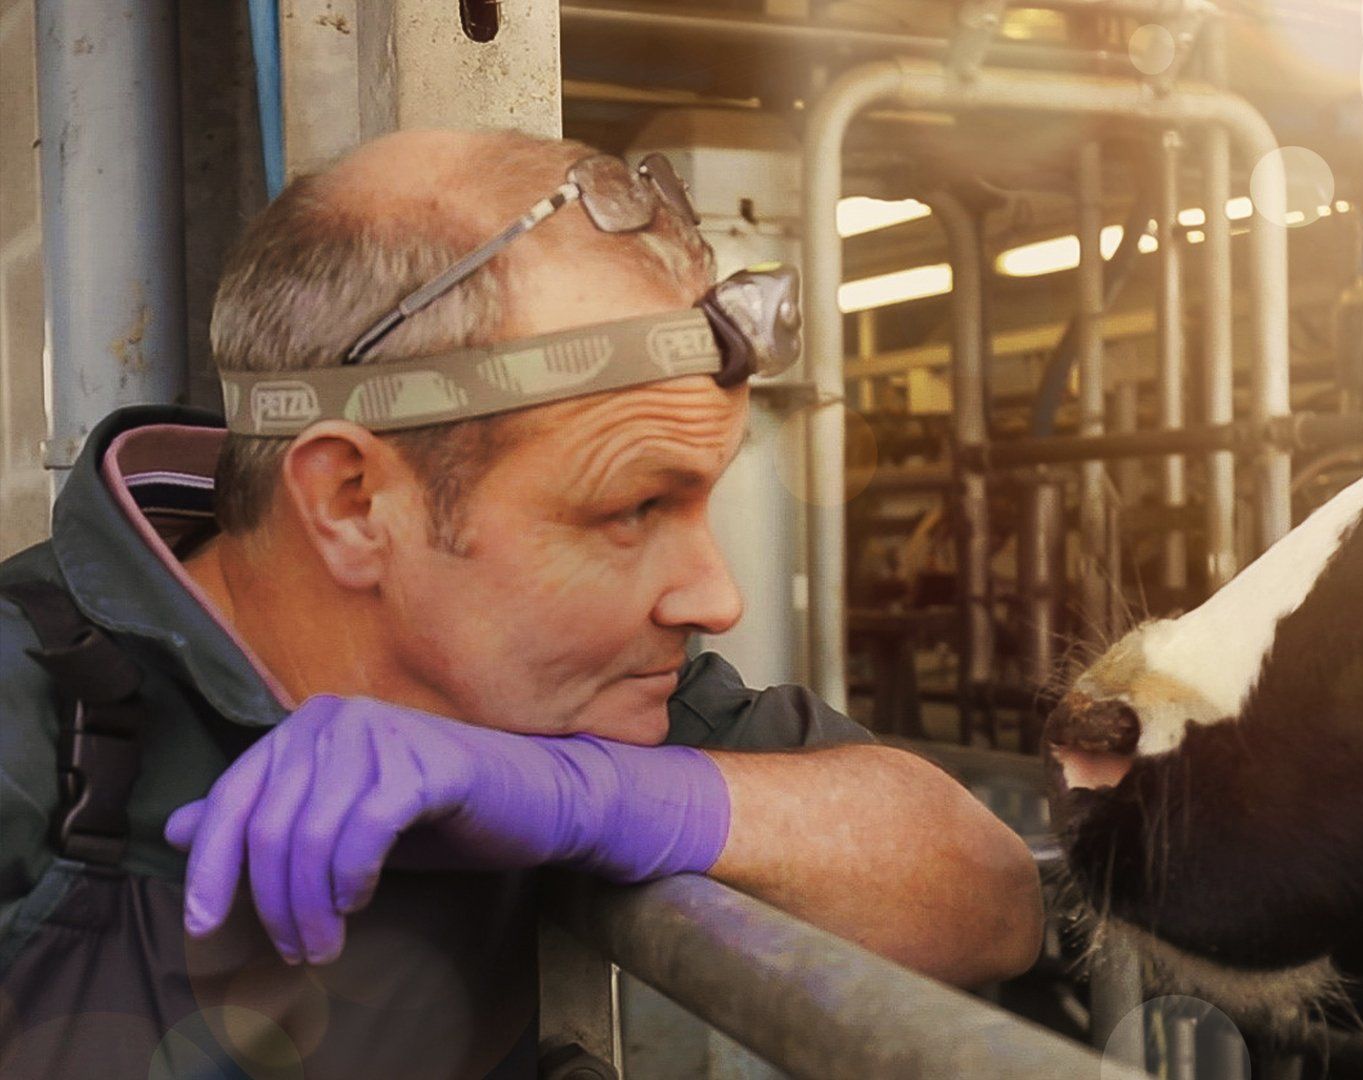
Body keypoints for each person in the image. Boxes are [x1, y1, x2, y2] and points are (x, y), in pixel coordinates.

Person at [0, 129, 1042, 1078]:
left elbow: (989, 896)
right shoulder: (29, 722)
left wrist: (591, 797)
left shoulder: (582, 699)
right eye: (631, 508)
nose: (717, 596)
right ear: (355, 503)